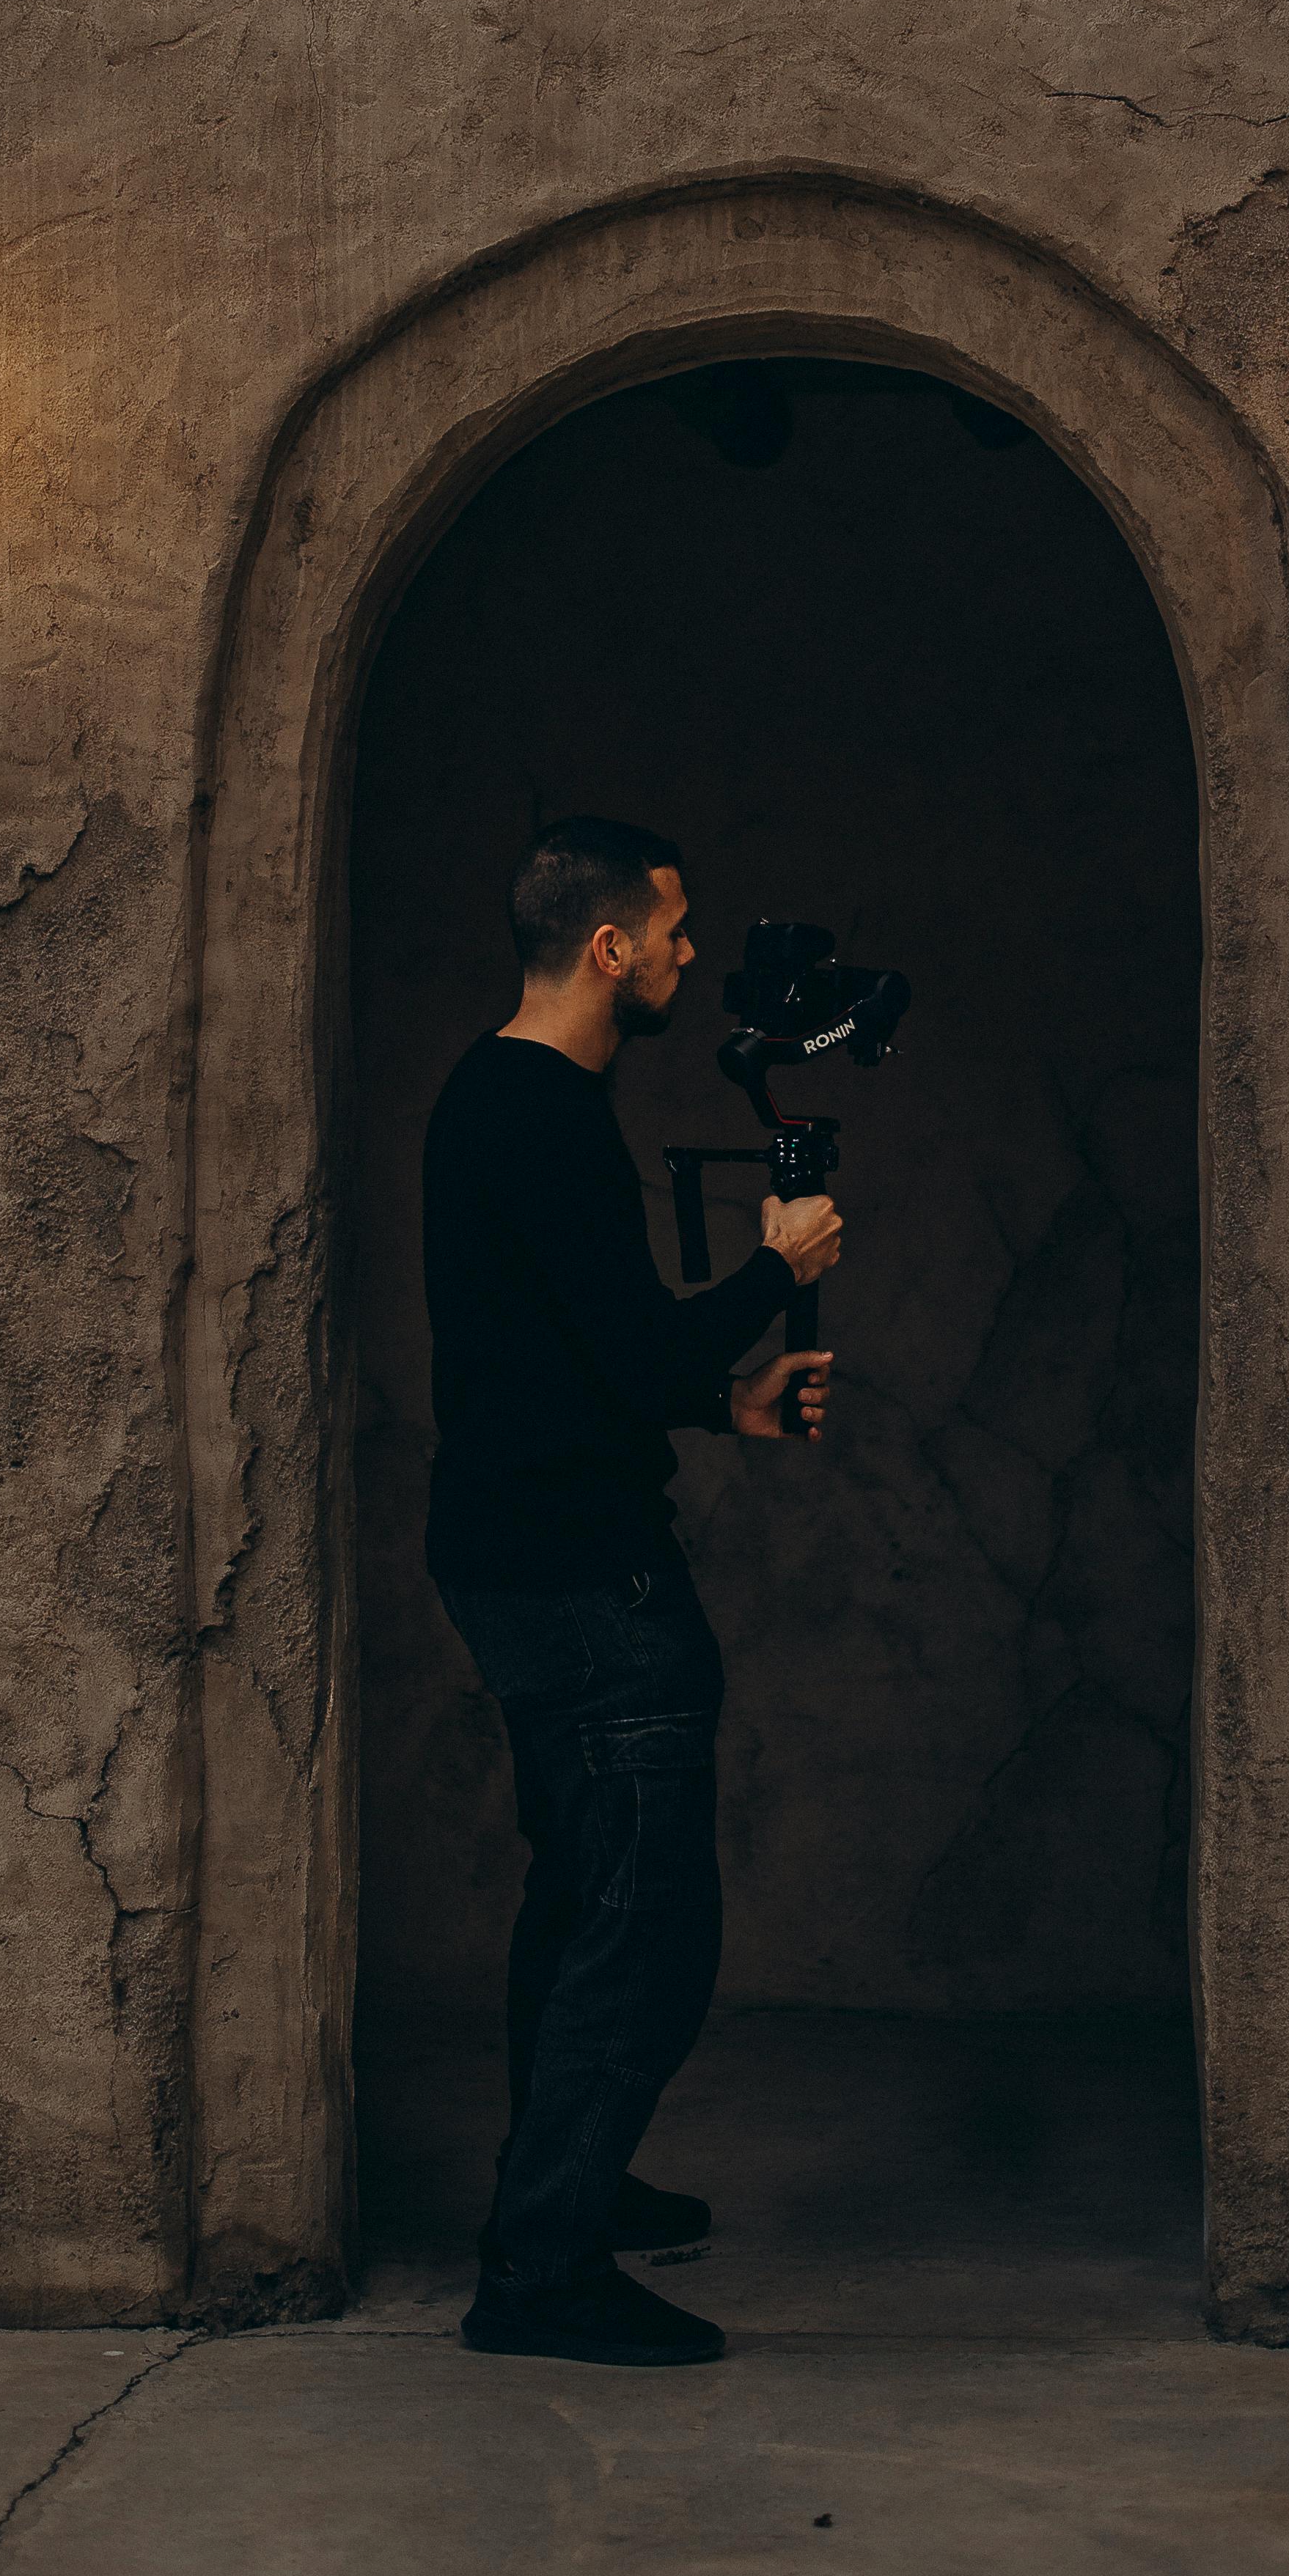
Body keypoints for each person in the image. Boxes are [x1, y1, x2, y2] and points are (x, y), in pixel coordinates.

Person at [423, 814, 840, 2369]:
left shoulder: (500, 1097)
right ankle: (540, 2269)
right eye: (670, 930)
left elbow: (566, 1358)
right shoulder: (543, 1116)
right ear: (609, 948)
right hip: (585, 1576)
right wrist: (777, 1263)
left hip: (510, 1549)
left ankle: (567, 2193)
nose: (685, 953)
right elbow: (646, 1345)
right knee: (646, 1931)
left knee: (579, 1893)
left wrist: (716, 1408)